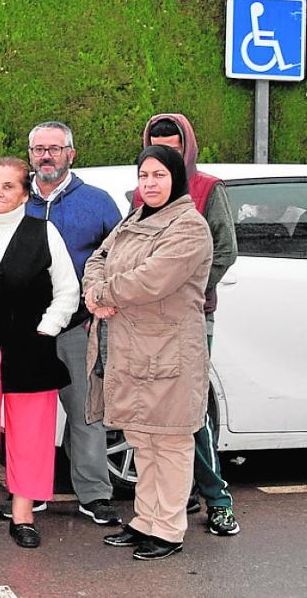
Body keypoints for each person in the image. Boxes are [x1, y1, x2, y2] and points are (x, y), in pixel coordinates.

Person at [83, 145, 213, 561]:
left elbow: (152, 279)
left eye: (159, 175)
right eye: (144, 176)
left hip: (169, 352)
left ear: (177, 178)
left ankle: (169, 529)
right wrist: (94, 291)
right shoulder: (135, 218)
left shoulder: (189, 227)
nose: (150, 183)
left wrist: (103, 293)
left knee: (170, 441)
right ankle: (145, 521)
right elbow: (98, 259)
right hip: (133, 348)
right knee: (142, 438)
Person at [0, 157, 79, 549]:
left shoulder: (45, 232)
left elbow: (68, 290)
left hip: (32, 352)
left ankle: (23, 515)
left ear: (26, 193)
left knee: (32, 436)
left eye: (8, 186)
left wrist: (47, 327)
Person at [2, 121, 123, 526]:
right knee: (27, 417)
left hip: (78, 328)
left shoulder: (98, 202)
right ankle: (28, 492)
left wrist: (100, 308)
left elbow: (119, 260)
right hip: (23, 331)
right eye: (38, 149)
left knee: (86, 412)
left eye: (55, 148)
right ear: (30, 154)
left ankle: (95, 494)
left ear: (71, 153)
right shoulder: (15, 199)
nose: (46, 156)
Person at [139, 113, 241, 537]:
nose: (168, 155)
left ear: (188, 149)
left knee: (192, 412)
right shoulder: (144, 194)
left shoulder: (207, 189)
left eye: (175, 148)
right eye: (159, 145)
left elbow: (224, 251)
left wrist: (187, 293)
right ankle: (174, 502)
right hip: (148, 323)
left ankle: (218, 500)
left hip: (194, 318)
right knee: (155, 416)